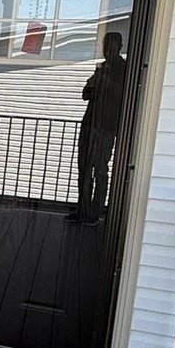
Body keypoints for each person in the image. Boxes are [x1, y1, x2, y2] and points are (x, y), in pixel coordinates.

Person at [77, 30, 127, 223]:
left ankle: (95, 213)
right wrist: (96, 82)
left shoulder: (124, 69)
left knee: (99, 169)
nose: (107, 50)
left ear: (119, 47)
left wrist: (106, 81)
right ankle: (83, 210)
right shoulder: (101, 67)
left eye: (111, 46)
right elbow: (85, 94)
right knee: (84, 167)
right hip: (90, 123)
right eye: (105, 46)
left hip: (106, 126)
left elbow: (123, 95)